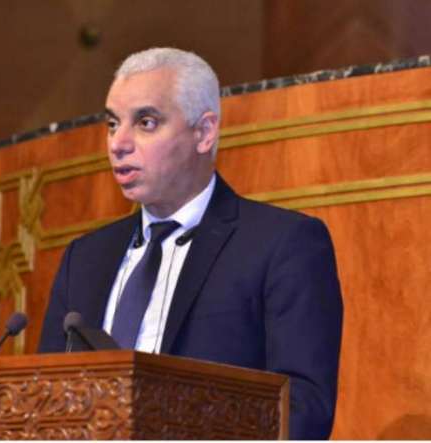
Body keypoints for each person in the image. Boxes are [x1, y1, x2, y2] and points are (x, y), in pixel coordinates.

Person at [37, 48, 343, 439]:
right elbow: (43, 398)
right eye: (113, 124)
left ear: (204, 132)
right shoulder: (84, 258)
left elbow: (303, 410)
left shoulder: (282, 244)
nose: (118, 143)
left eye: (146, 122)